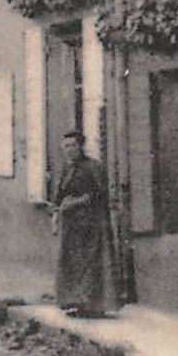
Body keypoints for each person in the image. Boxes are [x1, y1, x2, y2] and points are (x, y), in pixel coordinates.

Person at [49, 130, 119, 317]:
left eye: (72, 145)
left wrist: (77, 202)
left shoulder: (93, 167)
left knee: (90, 263)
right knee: (72, 263)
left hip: (92, 223)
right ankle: (76, 303)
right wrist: (56, 212)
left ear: (81, 146)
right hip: (72, 224)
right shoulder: (67, 168)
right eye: (66, 146)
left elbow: (99, 194)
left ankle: (93, 305)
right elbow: (60, 193)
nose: (69, 150)